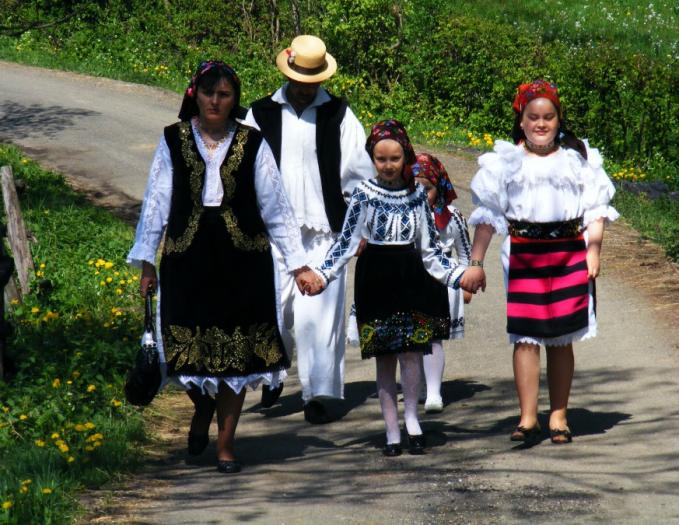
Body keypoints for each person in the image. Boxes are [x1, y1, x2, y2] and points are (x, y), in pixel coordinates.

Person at [127, 60, 316, 473]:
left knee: (238, 356)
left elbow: (276, 207)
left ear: (234, 99)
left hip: (242, 263)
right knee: (182, 350)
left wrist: (299, 265)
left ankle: (226, 444)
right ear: (194, 94)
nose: (215, 101)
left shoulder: (252, 142)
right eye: (208, 93)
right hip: (186, 260)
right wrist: (146, 262)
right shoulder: (173, 139)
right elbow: (156, 201)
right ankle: (202, 407)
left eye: (224, 94)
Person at [461, 80, 619, 444]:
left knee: (561, 338)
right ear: (521, 120)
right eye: (533, 117)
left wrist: (593, 250)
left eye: (549, 116)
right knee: (526, 337)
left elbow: (595, 209)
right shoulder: (505, 163)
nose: (541, 123)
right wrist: (476, 262)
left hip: (568, 253)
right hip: (523, 255)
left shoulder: (577, 159)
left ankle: (559, 416)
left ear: (559, 118)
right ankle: (528, 416)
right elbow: (488, 217)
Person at [307, 120, 471, 456]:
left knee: (411, 354)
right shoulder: (364, 194)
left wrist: (461, 275)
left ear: (405, 157)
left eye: (395, 158)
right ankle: (391, 430)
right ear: (372, 159)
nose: (388, 165)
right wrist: (321, 275)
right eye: (380, 159)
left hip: (411, 278)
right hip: (376, 280)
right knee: (384, 359)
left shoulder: (417, 196)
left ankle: (412, 420)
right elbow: (346, 242)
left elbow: (431, 251)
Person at [243, 35, 374, 423]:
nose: (305, 88)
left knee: (319, 317)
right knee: (275, 309)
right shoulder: (260, 113)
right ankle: (274, 369)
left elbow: (359, 174)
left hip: (326, 232)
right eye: (301, 81)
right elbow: (242, 167)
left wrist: (361, 226)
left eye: (313, 82)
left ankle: (320, 394)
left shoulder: (339, 114)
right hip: (272, 232)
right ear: (288, 74)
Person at [413, 153, 472, 414]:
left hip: (441, 281)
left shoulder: (452, 217)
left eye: (426, 189)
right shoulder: (402, 213)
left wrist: (466, 282)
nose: (420, 194)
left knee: (433, 337)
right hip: (409, 279)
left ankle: (434, 391)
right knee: (411, 340)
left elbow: (465, 253)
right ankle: (418, 385)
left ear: (438, 187)